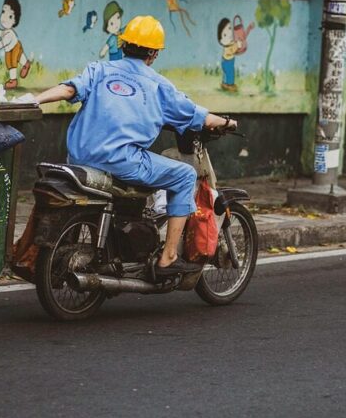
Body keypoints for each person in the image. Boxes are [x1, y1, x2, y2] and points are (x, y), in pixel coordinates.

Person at [30, 15, 235, 276]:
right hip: (121, 161)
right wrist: (229, 122)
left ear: (124, 45)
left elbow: (69, 89)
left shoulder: (100, 69)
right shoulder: (158, 85)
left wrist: (35, 100)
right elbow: (199, 116)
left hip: (80, 157)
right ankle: (168, 257)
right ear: (153, 53)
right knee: (185, 175)